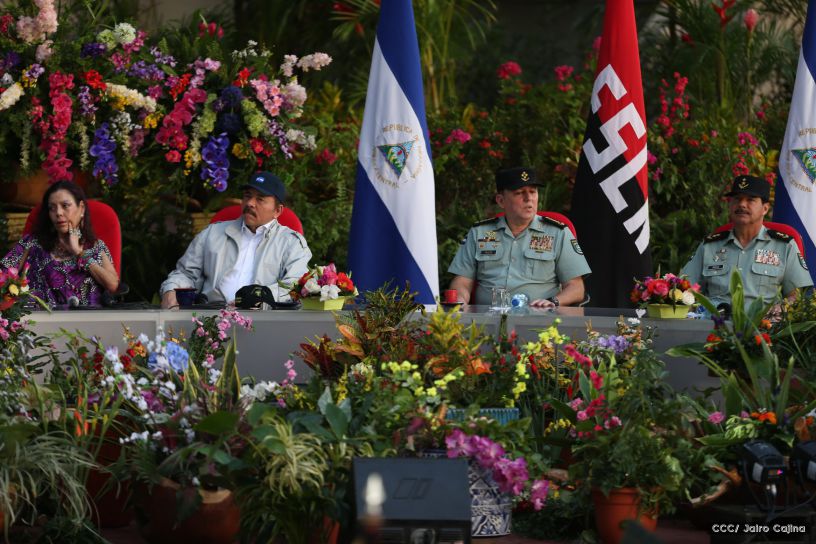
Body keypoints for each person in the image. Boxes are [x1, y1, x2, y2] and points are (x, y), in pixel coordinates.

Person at [160, 171, 311, 309]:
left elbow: (295, 286)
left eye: (260, 199)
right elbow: (186, 274)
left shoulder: (291, 243)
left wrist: (260, 296)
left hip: (264, 321)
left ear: (277, 211)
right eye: (247, 196)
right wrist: (171, 290)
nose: (250, 203)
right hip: (209, 317)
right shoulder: (212, 233)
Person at [447, 166, 591, 308]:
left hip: (541, 319)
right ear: (501, 201)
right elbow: (462, 280)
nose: (529, 199)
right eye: (519, 193)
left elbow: (576, 288)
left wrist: (554, 302)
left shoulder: (558, 232)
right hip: (486, 319)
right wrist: (460, 301)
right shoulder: (480, 232)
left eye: (533, 192)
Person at [681, 175, 813, 310]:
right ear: (730, 205)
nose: (742, 204)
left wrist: (778, 312)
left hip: (764, 327)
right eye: (737, 199)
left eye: (750, 200)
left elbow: (797, 296)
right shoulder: (709, 246)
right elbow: (684, 287)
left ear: (765, 209)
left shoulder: (784, 246)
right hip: (714, 325)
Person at [1, 181, 120, 307]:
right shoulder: (32, 242)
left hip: (87, 322)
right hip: (38, 323)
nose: (58, 213)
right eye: (52, 208)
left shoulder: (95, 246)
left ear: (81, 208)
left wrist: (80, 253)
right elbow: (2, 275)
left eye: (65, 205)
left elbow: (113, 286)